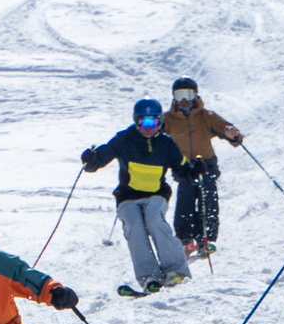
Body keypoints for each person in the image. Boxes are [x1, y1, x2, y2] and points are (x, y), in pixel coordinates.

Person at [82, 98, 190, 295]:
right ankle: (149, 276)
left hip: (156, 194)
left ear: (160, 122)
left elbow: (182, 167)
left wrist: (192, 170)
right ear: (136, 121)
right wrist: (91, 160)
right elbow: (104, 155)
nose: (148, 128)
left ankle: (175, 270)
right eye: (143, 122)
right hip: (128, 196)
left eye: (153, 122)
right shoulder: (125, 139)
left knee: (154, 220)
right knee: (134, 226)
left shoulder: (166, 143)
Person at [161, 77, 244, 261]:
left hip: (206, 164)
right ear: (174, 97)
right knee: (185, 196)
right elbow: (155, 135)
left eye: (188, 95)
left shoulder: (206, 116)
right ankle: (185, 239)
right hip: (183, 166)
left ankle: (206, 238)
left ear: (195, 96)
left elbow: (229, 131)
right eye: (179, 95)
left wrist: (233, 135)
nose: (184, 100)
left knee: (208, 195)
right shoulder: (169, 119)